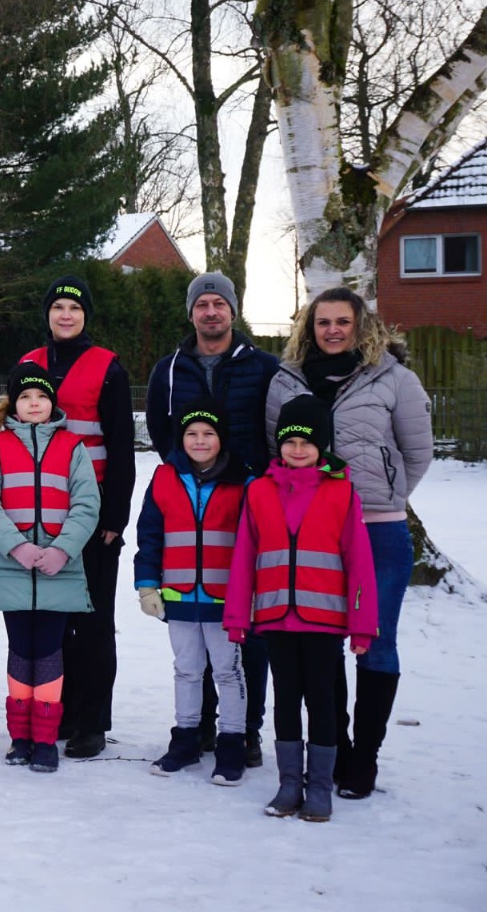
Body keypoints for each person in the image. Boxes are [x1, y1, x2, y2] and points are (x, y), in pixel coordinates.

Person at [265, 287, 432, 801]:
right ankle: (332, 745)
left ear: (362, 326)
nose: (333, 330)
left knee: (375, 640)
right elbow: (279, 446)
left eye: (343, 321)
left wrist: (383, 496)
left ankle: (365, 758)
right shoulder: (286, 381)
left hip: (378, 530)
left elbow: (417, 451)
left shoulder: (395, 379)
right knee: (321, 642)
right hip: (311, 535)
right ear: (308, 328)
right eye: (323, 322)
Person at [144, 271, 279, 764]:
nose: (211, 312)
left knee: (244, 630)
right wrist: (189, 469)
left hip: (248, 501)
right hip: (192, 501)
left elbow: (277, 425)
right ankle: (199, 728)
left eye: (219, 303)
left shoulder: (263, 365)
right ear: (191, 313)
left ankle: (245, 732)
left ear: (233, 311)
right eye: (202, 304)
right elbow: (161, 429)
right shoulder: (171, 369)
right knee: (196, 622)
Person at [226, 396, 377, 822]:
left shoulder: (342, 493)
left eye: (306, 442)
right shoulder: (259, 491)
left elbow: (359, 564)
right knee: (285, 702)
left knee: (323, 703)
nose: (297, 449)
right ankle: (290, 783)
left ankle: (319, 787)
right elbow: (244, 558)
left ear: (322, 447)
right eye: (289, 440)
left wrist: (362, 628)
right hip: (275, 619)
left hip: (324, 622)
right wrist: (238, 617)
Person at [18, 276, 135, 758]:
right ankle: (58, 709)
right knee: (49, 618)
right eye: (58, 306)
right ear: (47, 314)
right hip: (37, 514)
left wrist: (115, 516)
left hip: (91, 517)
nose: (65, 315)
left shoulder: (107, 367)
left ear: (86, 315)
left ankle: (91, 720)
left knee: (91, 620)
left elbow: (122, 445)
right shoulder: (28, 364)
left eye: (74, 307)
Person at [0, 364, 101, 774]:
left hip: (58, 570)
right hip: (14, 568)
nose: (34, 403)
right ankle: (19, 737)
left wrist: (62, 550)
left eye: (41, 397)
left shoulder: (72, 448)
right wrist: (18, 547)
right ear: (15, 404)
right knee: (20, 651)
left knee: (48, 653)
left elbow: (86, 504)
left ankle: (45, 738)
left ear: (52, 405)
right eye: (26, 397)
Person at [133, 405, 252, 785]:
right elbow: (149, 533)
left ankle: (232, 742)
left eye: (208, 434)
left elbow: (255, 541)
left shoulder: (243, 481)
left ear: (221, 439)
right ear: (181, 440)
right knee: (186, 670)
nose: (200, 441)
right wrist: (147, 584)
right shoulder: (165, 478)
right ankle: (185, 739)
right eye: (192, 434)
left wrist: (251, 591)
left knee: (228, 671)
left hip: (225, 599)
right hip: (179, 595)